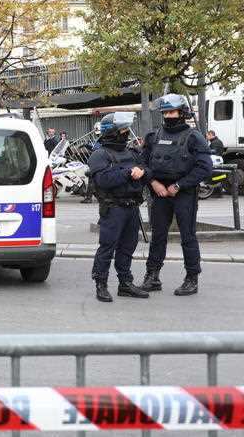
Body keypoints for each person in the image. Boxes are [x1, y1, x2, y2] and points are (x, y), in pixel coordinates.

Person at [139, 94, 213, 296]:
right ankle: (152, 276)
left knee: (188, 237)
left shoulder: (194, 137)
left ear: (182, 113)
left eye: (172, 112)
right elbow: (142, 163)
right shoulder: (154, 136)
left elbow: (205, 167)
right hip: (159, 192)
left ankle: (192, 278)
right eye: (165, 113)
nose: (168, 116)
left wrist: (179, 185)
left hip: (183, 193)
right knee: (158, 237)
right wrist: (153, 183)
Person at [87, 112, 151, 302]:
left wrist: (143, 172)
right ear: (112, 132)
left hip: (132, 207)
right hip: (113, 208)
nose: (126, 133)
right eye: (123, 130)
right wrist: (128, 173)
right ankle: (101, 284)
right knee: (107, 247)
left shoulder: (132, 152)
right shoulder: (100, 154)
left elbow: (148, 170)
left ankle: (125, 283)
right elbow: (103, 180)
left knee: (127, 247)